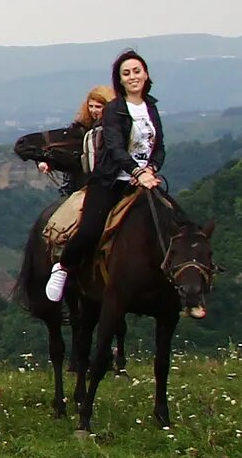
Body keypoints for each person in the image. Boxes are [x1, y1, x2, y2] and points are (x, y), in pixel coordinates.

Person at [56, 51, 165, 298]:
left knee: (175, 223)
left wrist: (151, 169)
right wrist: (136, 170)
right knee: (90, 230)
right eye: (126, 73)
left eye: (137, 71)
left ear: (146, 74)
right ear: (120, 79)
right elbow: (115, 147)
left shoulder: (151, 107)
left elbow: (159, 147)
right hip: (111, 181)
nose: (133, 76)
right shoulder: (114, 109)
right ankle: (63, 267)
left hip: (144, 180)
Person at [35, 84, 116, 303]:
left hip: (120, 181)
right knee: (70, 226)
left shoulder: (118, 128)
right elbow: (65, 151)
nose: (94, 110)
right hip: (88, 186)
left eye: (99, 106)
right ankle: (63, 266)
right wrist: (49, 162)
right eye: (91, 106)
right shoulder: (81, 130)